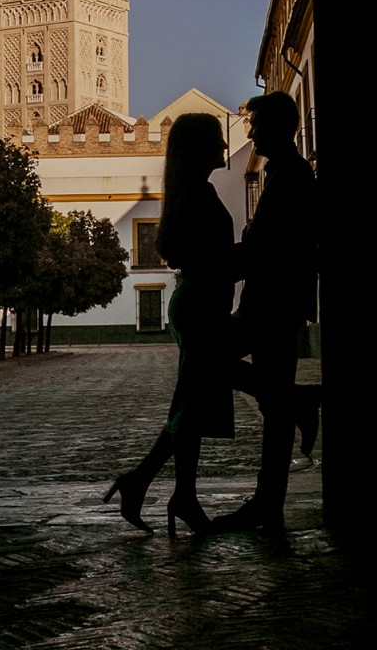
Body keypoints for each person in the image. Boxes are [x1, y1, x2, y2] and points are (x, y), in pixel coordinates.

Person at [103, 112, 236, 537]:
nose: (224, 146)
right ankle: (178, 495)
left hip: (195, 305)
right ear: (199, 147)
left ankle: (146, 483)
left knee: (189, 406)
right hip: (201, 308)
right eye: (216, 139)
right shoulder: (200, 195)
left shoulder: (186, 193)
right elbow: (210, 259)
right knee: (193, 408)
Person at [212, 90, 320, 533]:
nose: (250, 132)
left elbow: (267, 247)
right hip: (274, 301)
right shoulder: (284, 174)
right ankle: (268, 504)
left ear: (277, 127)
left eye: (255, 125)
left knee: (211, 359)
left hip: (272, 304)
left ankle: (299, 402)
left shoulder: (292, 177)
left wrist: (214, 264)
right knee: (275, 409)